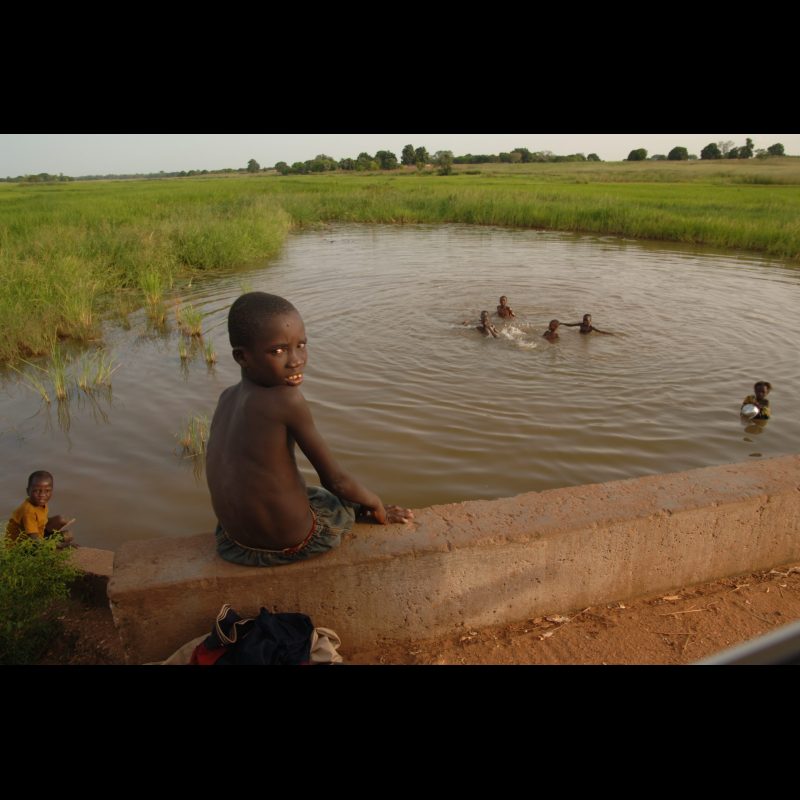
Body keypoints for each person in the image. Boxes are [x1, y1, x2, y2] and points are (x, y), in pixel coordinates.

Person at [206, 292, 414, 567]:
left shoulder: (227, 397)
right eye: (278, 351)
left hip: (232, 543)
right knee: (338, 500)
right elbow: (336, 480)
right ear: (242, 357)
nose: (295, 360)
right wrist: (377, 505)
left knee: (310, 492)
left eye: (301, 345)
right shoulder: (286, 400)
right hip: (291, 544)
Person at [5, 471, 73, 546]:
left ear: (52, 491)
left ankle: (50, 540)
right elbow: (34, 538)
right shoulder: (28, 511)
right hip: (21, 544)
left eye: (47, 491)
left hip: (36, 533)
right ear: (28, 491)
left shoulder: (41, 503)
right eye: (36, 491)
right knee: (66, 536)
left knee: (61, 519)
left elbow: (42, 520)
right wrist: (58, 544)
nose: (42, 495)